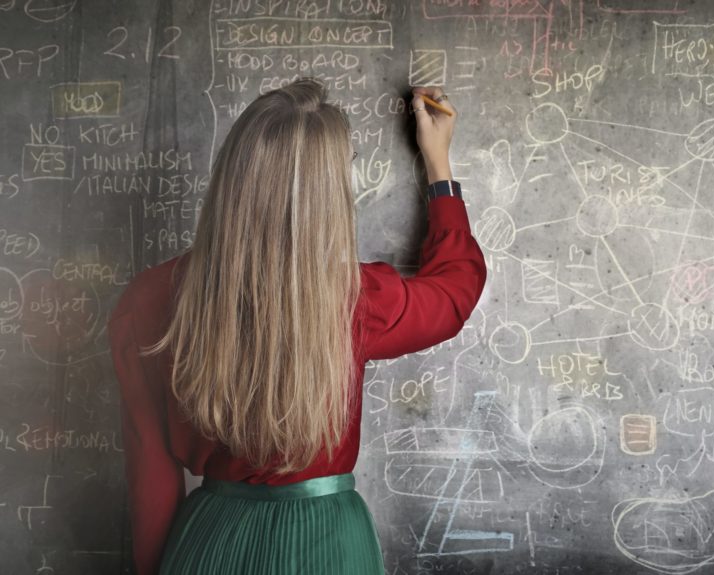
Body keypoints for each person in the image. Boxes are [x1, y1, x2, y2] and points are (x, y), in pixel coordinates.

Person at [107, 78, 486, 574]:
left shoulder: (149, 300)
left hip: (209, 541)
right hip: (327, 542)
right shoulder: (358, 299)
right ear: (328, 192)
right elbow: (456, 292)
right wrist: (438, 166)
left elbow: (150, 477)